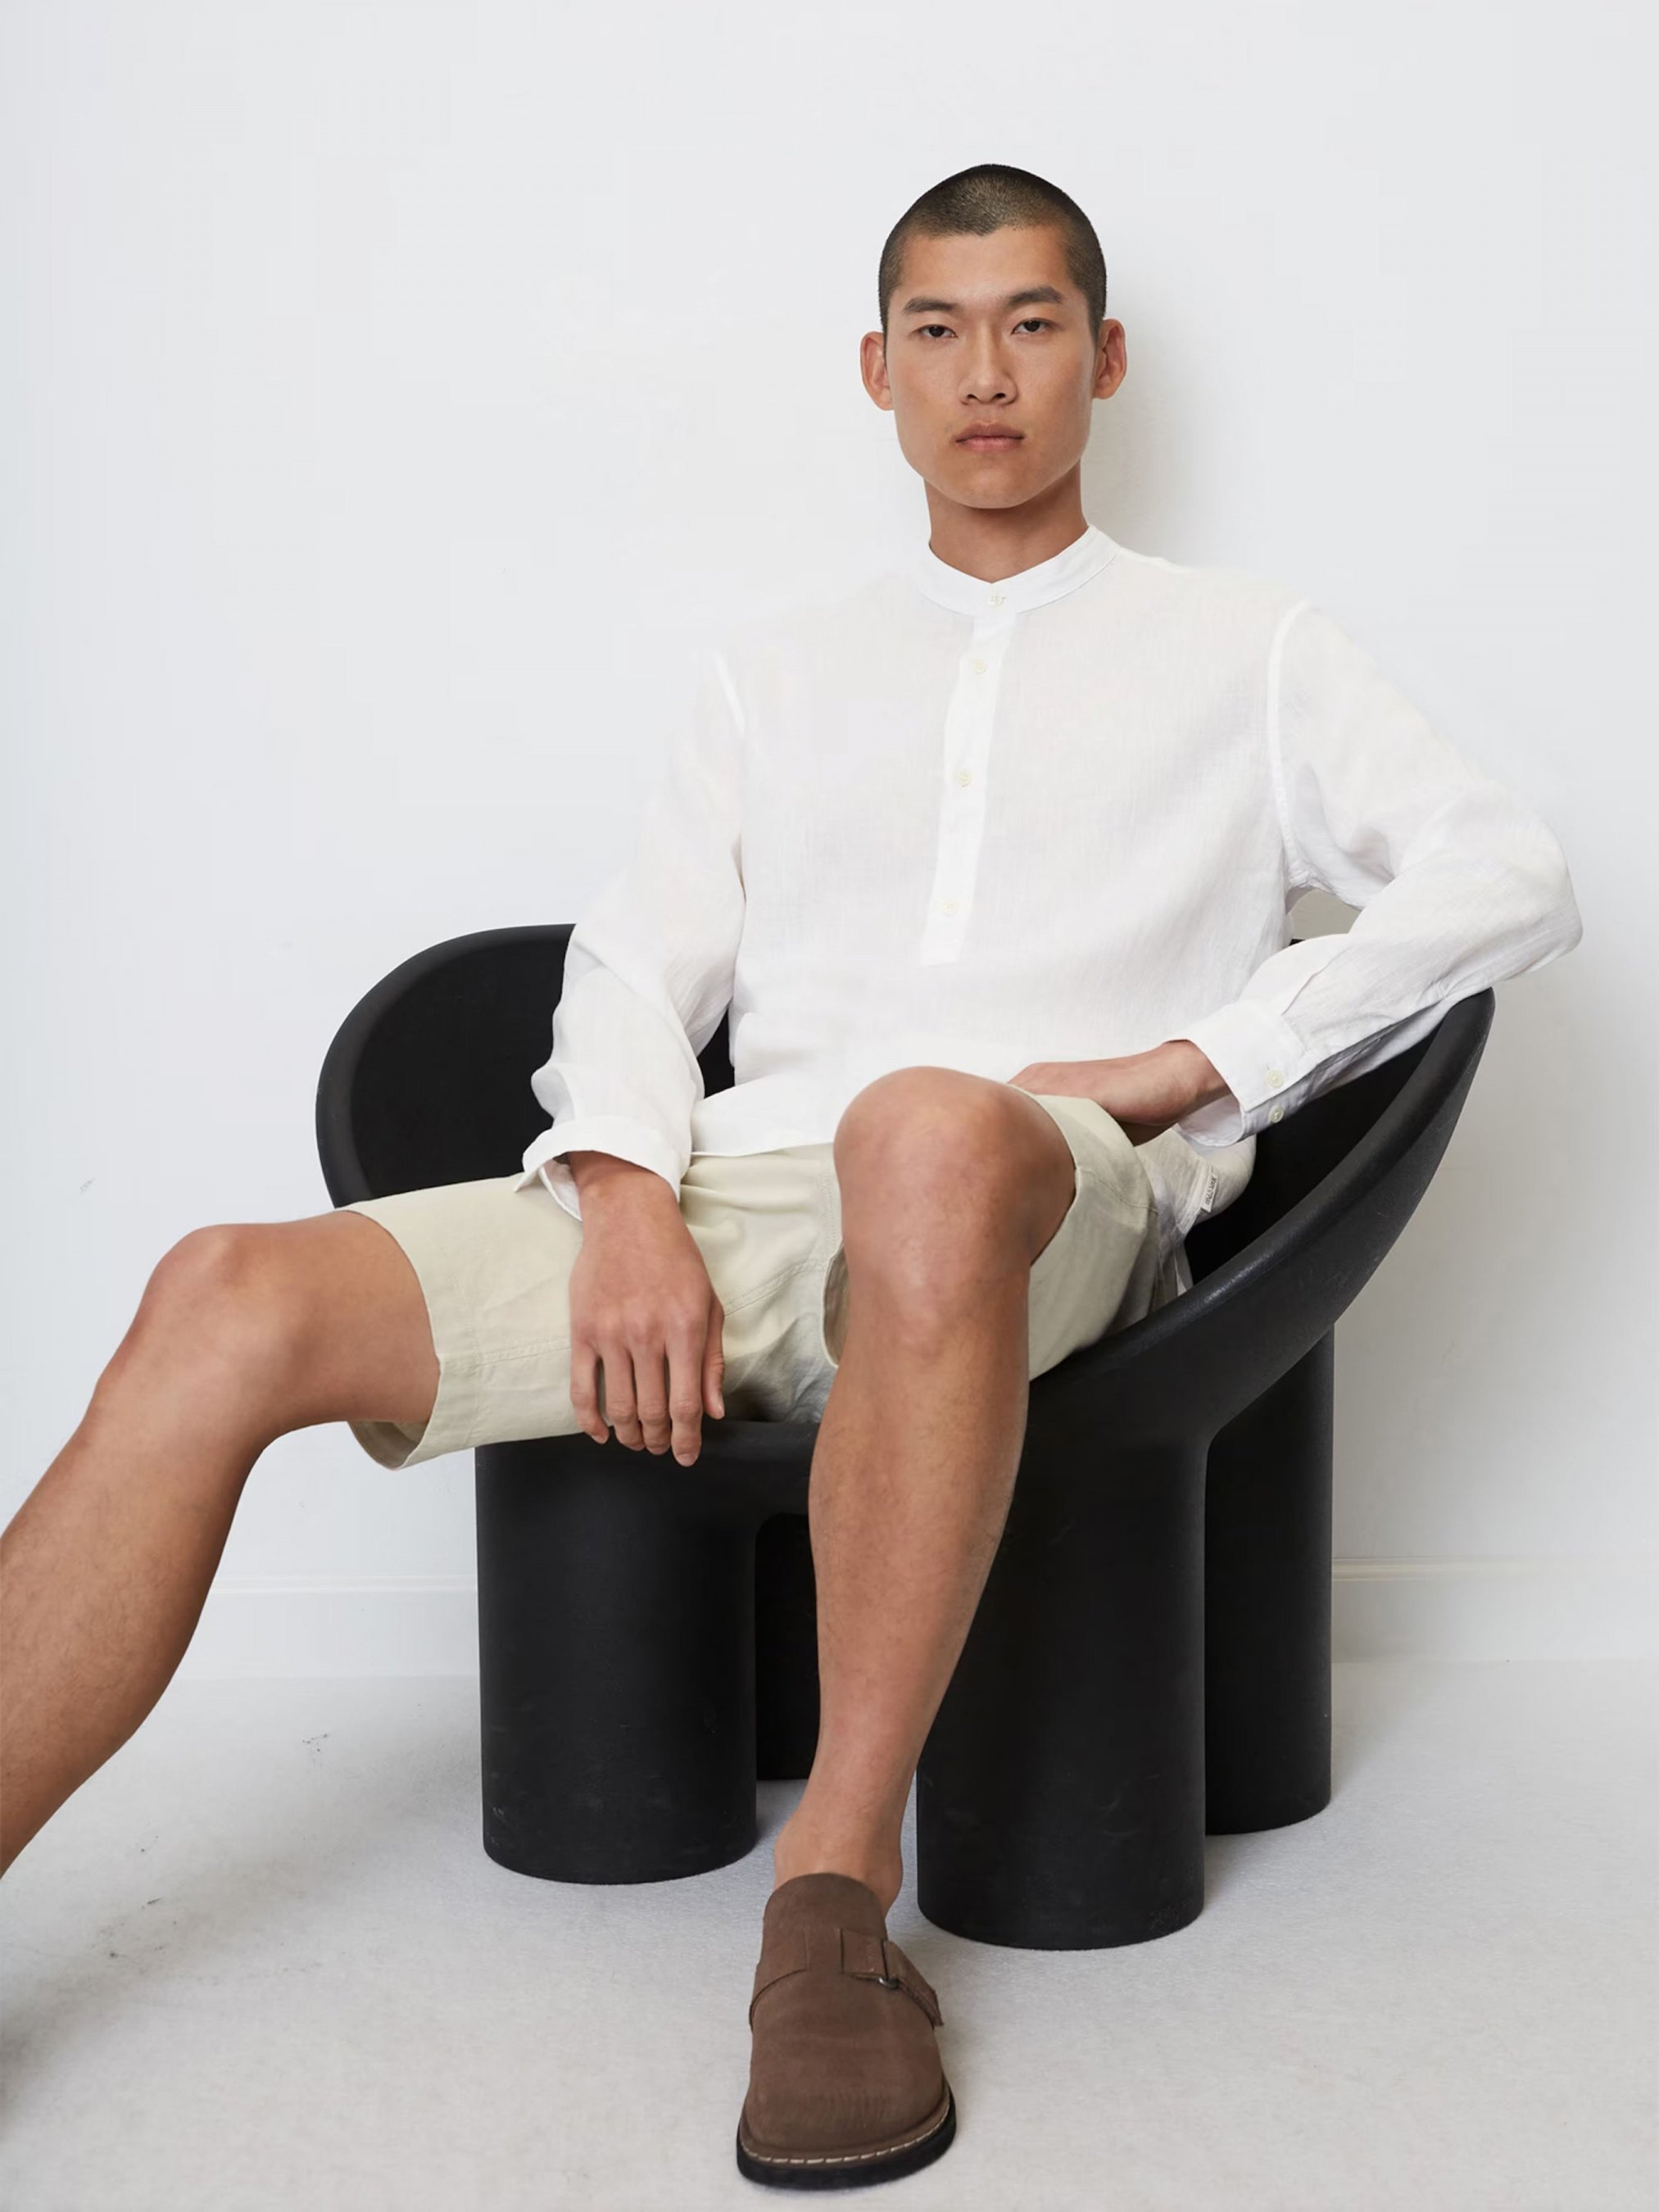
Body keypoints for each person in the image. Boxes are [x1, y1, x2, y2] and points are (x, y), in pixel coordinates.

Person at [0, 161, 1581, 2192]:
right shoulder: (776, 672)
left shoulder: (1248, 652)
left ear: (1102, 359)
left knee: (921, 1123)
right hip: (751, 1192)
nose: (982, 373)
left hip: (1043, 1197)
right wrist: (622, 1190)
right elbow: (628, 971)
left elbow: (1504, 873)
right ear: (874, 369)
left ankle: (829, 1904)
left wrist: (1193, 1066)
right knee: (222, 1290)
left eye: (1029, 325)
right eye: (936, 330)